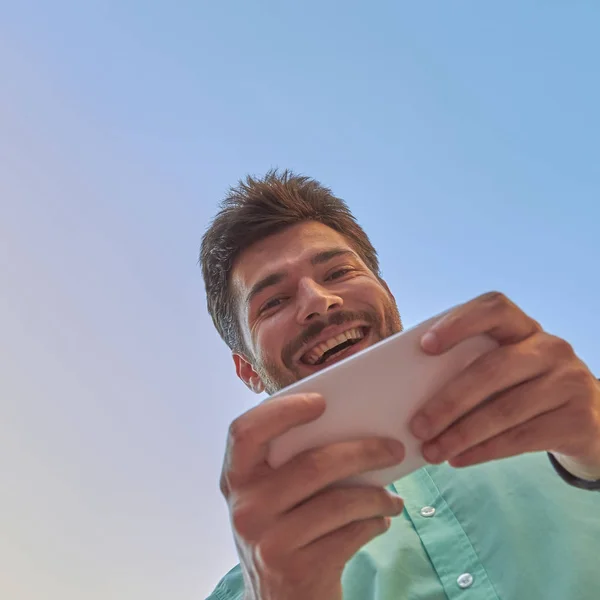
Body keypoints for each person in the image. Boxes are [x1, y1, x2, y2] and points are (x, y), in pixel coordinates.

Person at [200, 170, 600, 600]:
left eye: (337, 272)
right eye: (273, 302)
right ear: (248, 370)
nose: (318, 300)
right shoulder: (248, 592)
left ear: (385, 292)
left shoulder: (570, 429)